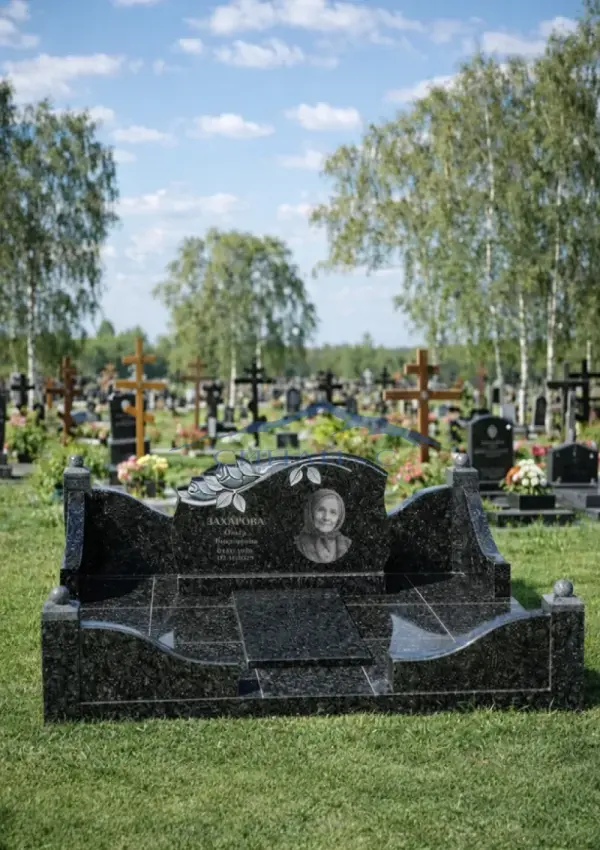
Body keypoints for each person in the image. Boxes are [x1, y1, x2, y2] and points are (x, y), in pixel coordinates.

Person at [295, 488, 351, 564]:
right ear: (311, 512)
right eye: (321, 510)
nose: (326, 517)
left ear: (339, 517)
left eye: (333, 512)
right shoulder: (297, 544)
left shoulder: (346, 544)